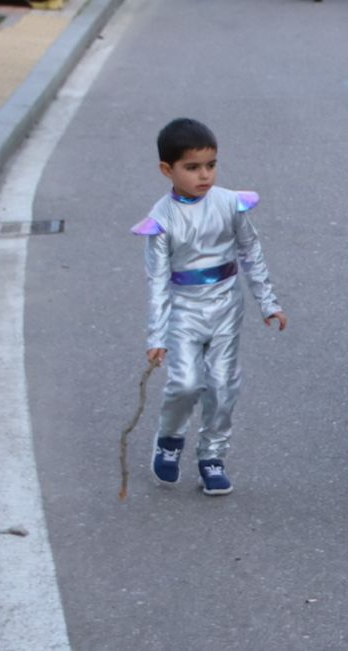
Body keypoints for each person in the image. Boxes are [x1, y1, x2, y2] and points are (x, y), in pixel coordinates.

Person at [136, 118, 286, 496]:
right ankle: (169, 439)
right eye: (192, 167)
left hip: (224, 307)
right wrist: (156, 335)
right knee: (186, 383)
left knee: (222, 385)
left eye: (211, 165)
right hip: (183, 311)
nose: (204, 175)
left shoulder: (229, 204)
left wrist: (268, 302)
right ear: (166, 170)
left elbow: (250, 250)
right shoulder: (161, 221)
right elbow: (156, 281)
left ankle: (212, 456)